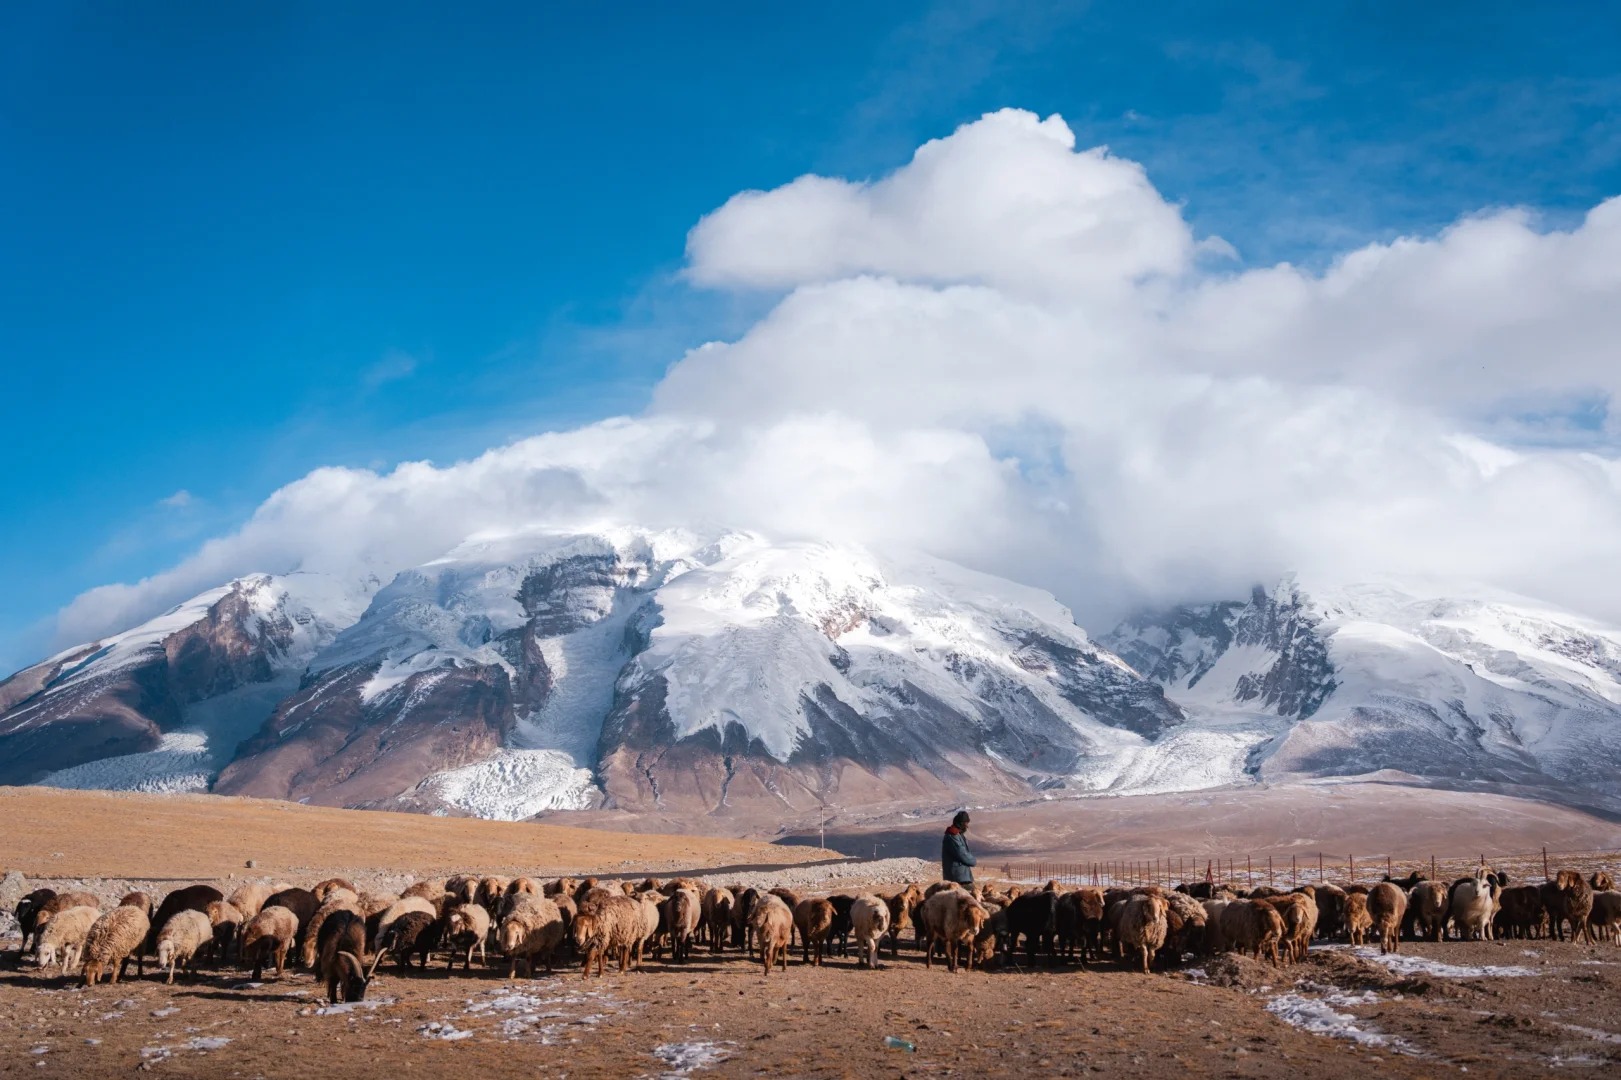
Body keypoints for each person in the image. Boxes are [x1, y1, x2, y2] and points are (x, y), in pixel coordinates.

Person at [941, 810, 976, 885]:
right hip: (958, 877)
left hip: (960, 876)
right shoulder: (953, 836)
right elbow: (962, 853)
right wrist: (973, 860)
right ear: (961, 823)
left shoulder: (957, 835)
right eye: (966, 823)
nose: (967, 826)